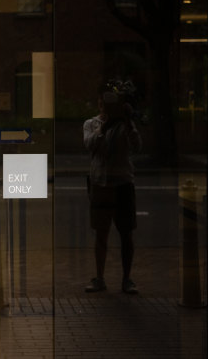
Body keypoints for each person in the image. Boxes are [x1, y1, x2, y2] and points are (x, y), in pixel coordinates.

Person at [83, 80, 142, 294]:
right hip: (100, 184)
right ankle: (99, 277)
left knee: (126, 233)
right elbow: (90, 146)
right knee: (101, 233)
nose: (105, 107)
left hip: (123, 183)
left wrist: (127, 121)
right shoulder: (91, 124)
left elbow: (136, 146)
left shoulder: (125, 125)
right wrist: (104, 128)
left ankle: (127, 278)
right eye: (102, 102)